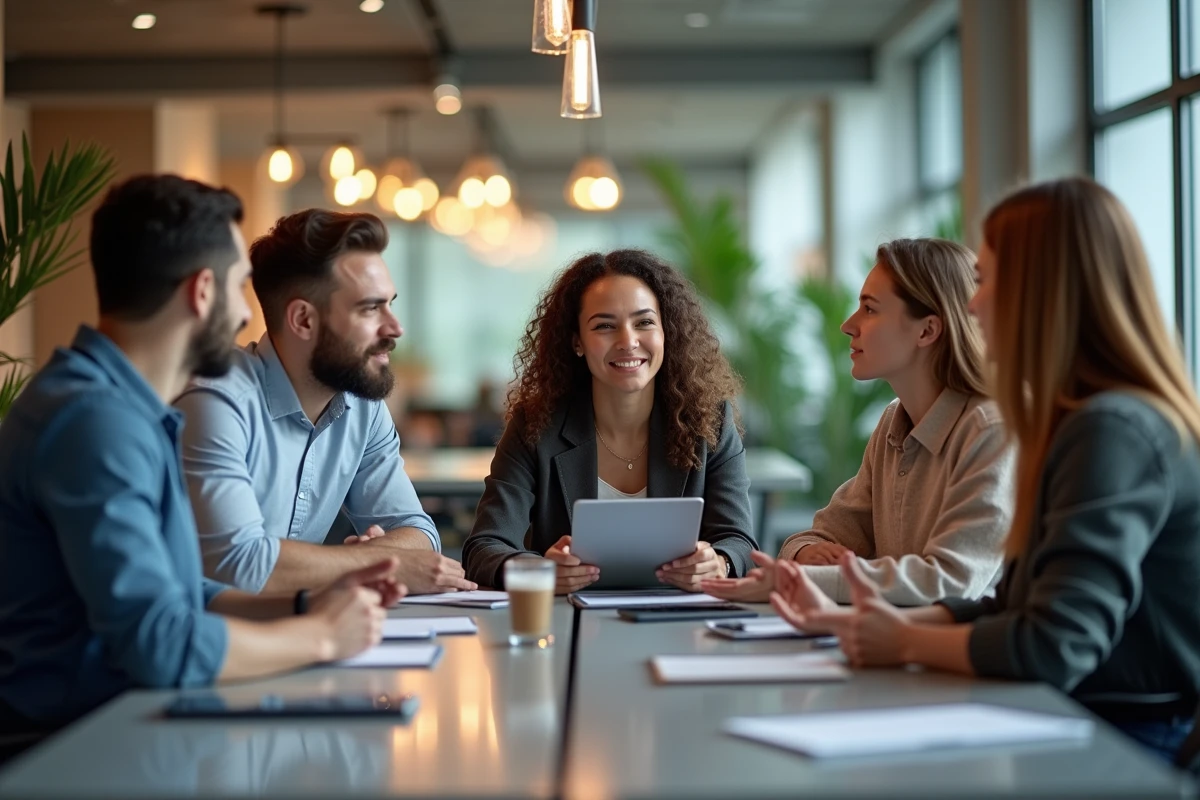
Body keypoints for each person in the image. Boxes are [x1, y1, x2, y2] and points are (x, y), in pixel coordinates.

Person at [772, 177, 1200, 763]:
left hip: (1123, 739)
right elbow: (1013, 604)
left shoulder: (1110, 430)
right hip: (1075, 716)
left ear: (1044, 291)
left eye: (989, 279)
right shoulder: (1077, 420)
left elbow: (1055, 643)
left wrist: (903, 641)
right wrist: (865, 628)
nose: (973, 303)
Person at [0, 176, 399, 742]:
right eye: (240, 287)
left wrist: (307, 602)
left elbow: (182, 594)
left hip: (122, 728)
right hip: (72, 748)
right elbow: (159, 643)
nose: (245, 312)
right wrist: (322, 637)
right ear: (202, 291)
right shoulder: (95, 422)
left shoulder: (121, 407)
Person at [175, 209, 474, 595]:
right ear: (303, 320)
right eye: (370, 308)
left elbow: (418, 532)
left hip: (306, 628)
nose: (395, 328)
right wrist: (371, 563)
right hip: (213, 642)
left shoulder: (362, 405)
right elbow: (239, 565)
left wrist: (349, 564)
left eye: (391, 304)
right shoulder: (216, 402)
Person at [704, 238, 1013, 606]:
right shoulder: (893, 424)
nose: (849, 326)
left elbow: (949, 582)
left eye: (870, 309)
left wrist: (803, 581)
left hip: (957, 657)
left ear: (927, 331)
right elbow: (814, 537)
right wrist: (806, 557)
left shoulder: (990, 431)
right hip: (891, 645)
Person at [462, 249, 758, 593]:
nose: (628, 342)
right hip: (567, 626)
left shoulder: (708, 420)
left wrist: (718, 562)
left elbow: (740, 543)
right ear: (577, 342)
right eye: (604, 326)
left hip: (682, 623)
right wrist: (540, 571)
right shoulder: (535, 426)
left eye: (644, 322)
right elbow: (484, 548)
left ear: (667, 332)